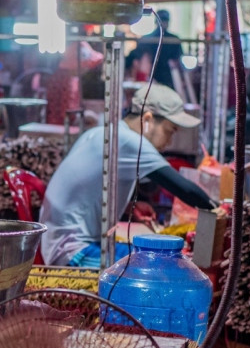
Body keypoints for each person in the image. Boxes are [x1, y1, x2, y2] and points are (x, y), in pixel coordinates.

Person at [39, 83, 216, 268]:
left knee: (160, 257)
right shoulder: (129, 141)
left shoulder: (102, 133)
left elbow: (86, 192)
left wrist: (129, 206)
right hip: (74, 252)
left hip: (59, 243)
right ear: (147, 119)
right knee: (167, 266)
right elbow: (186, 190)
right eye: (169, 131)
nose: (169, 141)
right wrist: (222, 210)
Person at [129, 9, 185, 90]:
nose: (164, 23)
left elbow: (177, 60)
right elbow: (135, 59)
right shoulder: (147, 39)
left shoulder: (173, 39)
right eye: (163, 20)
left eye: (165, 20)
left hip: (166, 78)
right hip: (152, 78)